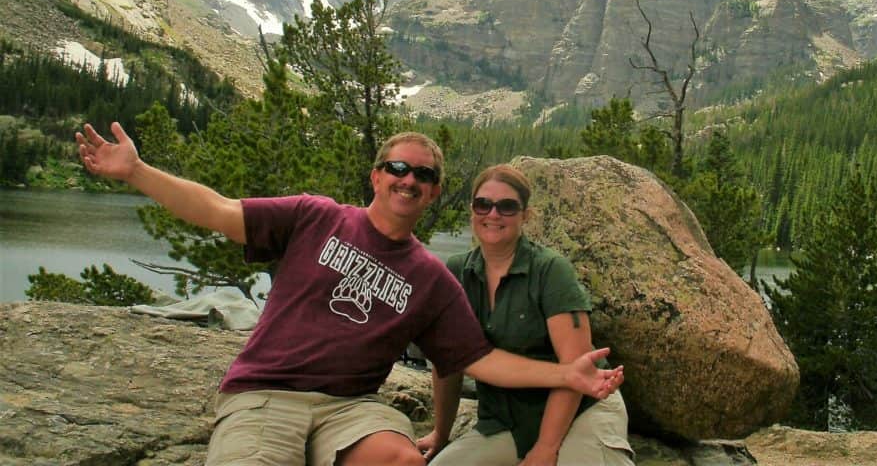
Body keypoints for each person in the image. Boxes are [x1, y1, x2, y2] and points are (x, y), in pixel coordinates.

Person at [76, 124, 624, 466]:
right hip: (267, 396)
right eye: (398, 168)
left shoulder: (432, 279)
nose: (408, 180)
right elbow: (218, 210)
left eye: (423, 175)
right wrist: (138, 172)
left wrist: (565, 374)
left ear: (433, 192)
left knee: (403, 462)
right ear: (377, 175)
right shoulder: (315, 217)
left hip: (352, 411)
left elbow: (473, 359)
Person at [417, 164, 635, 466]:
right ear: (472, 210)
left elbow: (576, 369)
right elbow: (448, 363)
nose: (493, 215)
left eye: (507, 207)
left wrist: (545, 449)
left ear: (525, 214)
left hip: (581, 408)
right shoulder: (457, 273)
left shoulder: (550, 271)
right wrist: (441, 434)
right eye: (483, 204)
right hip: (507, 418)